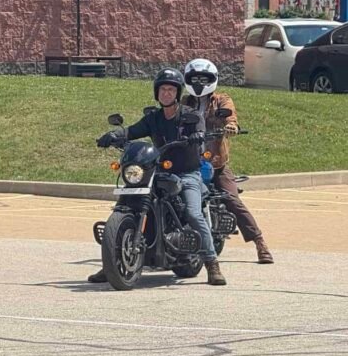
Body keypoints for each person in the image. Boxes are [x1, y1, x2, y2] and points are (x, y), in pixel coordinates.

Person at [90, 68, 227, 286]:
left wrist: (197, 136)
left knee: (192, 212)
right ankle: (111, 263)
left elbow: (199, 129)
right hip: (158, 170)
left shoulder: (190, 115)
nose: (166, 93)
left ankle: (212, 263)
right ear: (157, 92)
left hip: (187, 173)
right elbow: (132, 131)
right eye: (162, 89)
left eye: (171, 89)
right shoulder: (153, 118)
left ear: (176, 92)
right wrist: (115, 135)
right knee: (127, 203)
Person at [182, 58, 273, 264]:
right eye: (194, 78)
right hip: (189, 163)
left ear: (212, 80)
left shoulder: (222, 100)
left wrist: (231, 126)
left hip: (215, 163)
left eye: (203, 78)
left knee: (232, 199)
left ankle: (260, 242)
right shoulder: (184, 103)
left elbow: (230, 117)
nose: (199, 82)